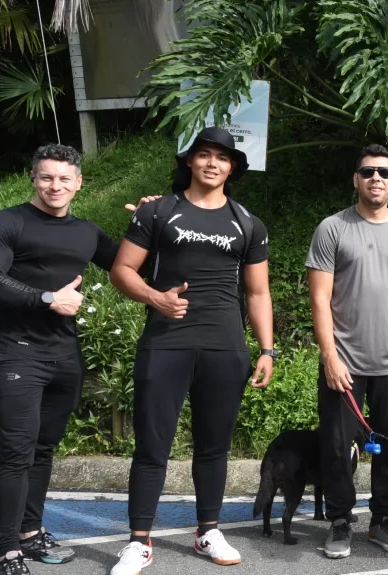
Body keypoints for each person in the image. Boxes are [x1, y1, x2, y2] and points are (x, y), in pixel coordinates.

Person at [0, 144, 154, 575]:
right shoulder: (7, 222)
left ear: (79, 183)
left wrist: (147, 222)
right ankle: (7, 551)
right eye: (47, 177)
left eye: (64, 178)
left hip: (64, 357)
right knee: (16, 452)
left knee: (44, 450)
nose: (56, 185)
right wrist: (46, 297)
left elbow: (130, 265)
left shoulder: (86, 232)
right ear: (32, 178)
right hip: (16, 352)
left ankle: (30, 533)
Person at [108, 127, 275, 575]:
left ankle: (208, 531)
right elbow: (121, 270)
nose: (212, 163)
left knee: (214, 446)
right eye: (204, 155)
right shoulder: (158, 211)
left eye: (222, 158)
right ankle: (139, 542)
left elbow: (258, 293)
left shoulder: (247, 222)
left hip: (226, 347)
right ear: (189, 161)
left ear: (232, 167)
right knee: (152, 446)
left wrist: (267, 349)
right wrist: (154, 298)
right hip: (166, 343)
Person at [306, 144, 388, 559]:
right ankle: (340, 521)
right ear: (355, 180)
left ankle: (381, 520)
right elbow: (320, 299)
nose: (375, 177)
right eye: (367, 172)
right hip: (344, 362)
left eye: (383, 171)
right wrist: (330, 355)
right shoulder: (332, 228)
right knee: (338, 446)